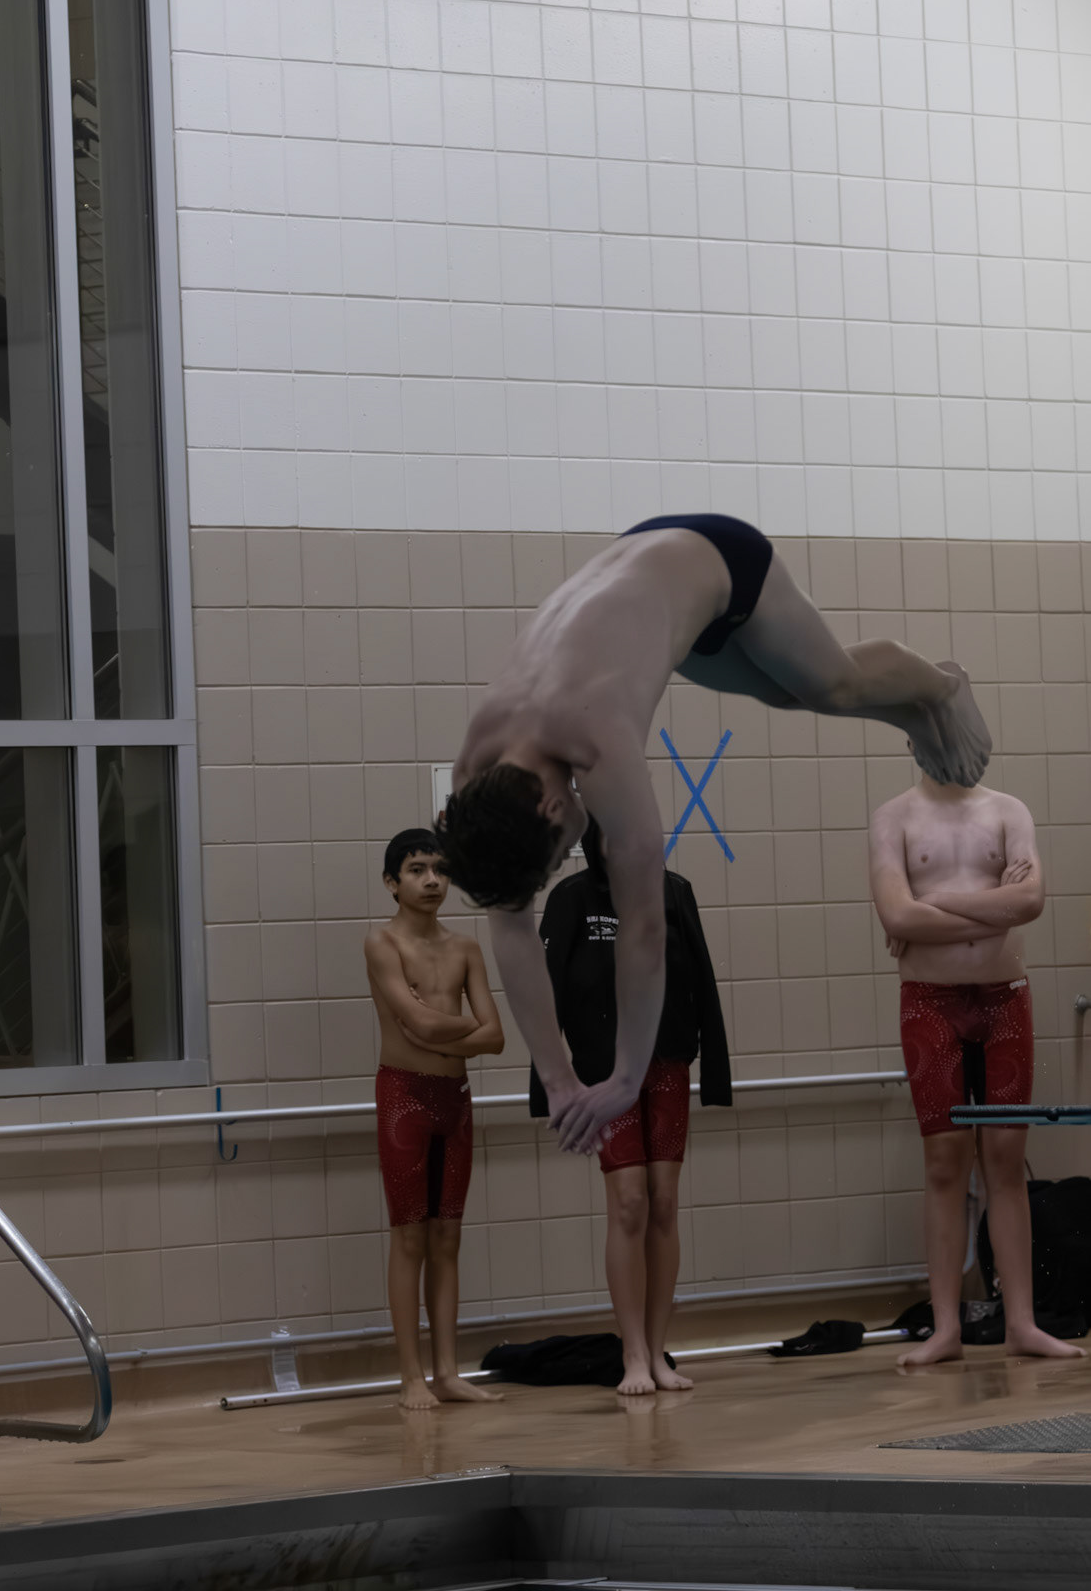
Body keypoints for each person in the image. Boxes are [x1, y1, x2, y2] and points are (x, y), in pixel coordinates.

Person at [436, 513, 991, 1155]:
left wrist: (625, 1079)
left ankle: (941, 687)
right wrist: (558, 1080)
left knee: (831, 685)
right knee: (783, 693)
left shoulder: (598, 744)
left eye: (556, 857)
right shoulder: (476, 774)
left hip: (717, 556)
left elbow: (644, 932)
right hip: (651, 580)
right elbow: (510, 928)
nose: (566, 861)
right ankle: (914, 718)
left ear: (551, 808)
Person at [869, 771, 1083, 1369]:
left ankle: (1021, 1322)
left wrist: (933, 900)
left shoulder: (1010, 810)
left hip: (1004, 1001)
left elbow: (1030, 902)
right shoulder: (893, 817)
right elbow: (897, 917)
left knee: (1006, 1162)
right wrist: (995, 909)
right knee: (944, 1163)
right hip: (929, 1004)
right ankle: (945, 1328)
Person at [529, 819, 731, 1394]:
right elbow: (544, 995)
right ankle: (633, 1354)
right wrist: (549, 1085)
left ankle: (658, 1352)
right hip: (603, 1073)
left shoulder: (675, 892)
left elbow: (702, 980)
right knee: (628, 1203)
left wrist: (715, 1071)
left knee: (663, 1202)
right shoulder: (572, 899)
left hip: (666, 1064)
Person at [365, 828, 506, 1410]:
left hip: (455, 1100)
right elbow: (420, 1025)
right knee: (409, 1236)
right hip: (405, 1097)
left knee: (447, 1236)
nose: (432, 881)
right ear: (391, 882)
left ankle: (447, 1372)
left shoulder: (466, 948)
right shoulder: (382, 943)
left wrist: (438, 1029)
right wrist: (461, 1027)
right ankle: (411, 1378)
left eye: (441, 870)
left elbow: (497, 1038)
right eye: (417, 870)